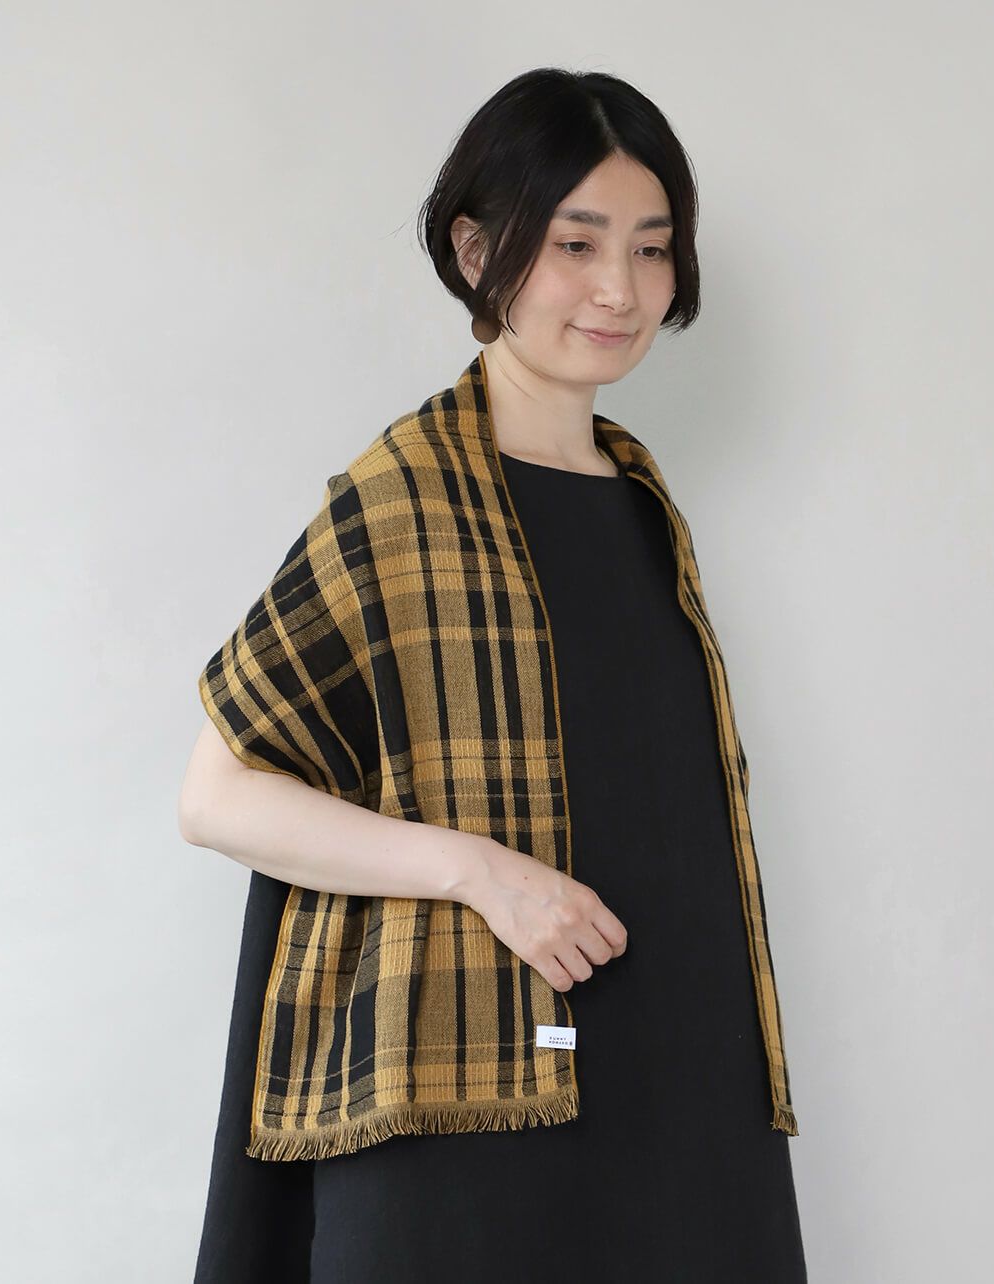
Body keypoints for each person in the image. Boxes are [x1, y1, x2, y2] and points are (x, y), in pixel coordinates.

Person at [181, 66, 807, 1283]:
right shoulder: (398, 502)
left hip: (677, 1082)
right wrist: (481, 875)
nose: (619, 287)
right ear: (478, 251)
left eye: (650, 247)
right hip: (467, 1103)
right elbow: (215, 796)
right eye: (576, 243)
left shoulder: (641, 503)